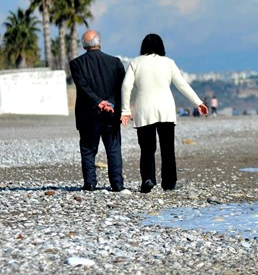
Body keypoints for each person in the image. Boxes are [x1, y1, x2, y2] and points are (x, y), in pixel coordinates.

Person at [120, 33, 208, 193]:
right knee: (167, 148)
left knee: (147, 148)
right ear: (161, 46)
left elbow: (126, 86)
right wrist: (198, 103)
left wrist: (125, 110)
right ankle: (169, 183)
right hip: (166, 109)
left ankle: (148, 179)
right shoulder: (169, 63)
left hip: (144, 109)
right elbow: (182, 85)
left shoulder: (136, 62)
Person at [69, 30, 126, 192]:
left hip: (87, 114)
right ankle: (117, 184)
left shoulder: (76, 63)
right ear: (99, 42)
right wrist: (110, 103)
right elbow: (120, 88)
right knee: (113, 149)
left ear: (83, 45)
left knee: (88, 149)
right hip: (111, 113)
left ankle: (90, 183)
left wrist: (99, 102)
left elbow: (83, 87)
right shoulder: (115, 62)